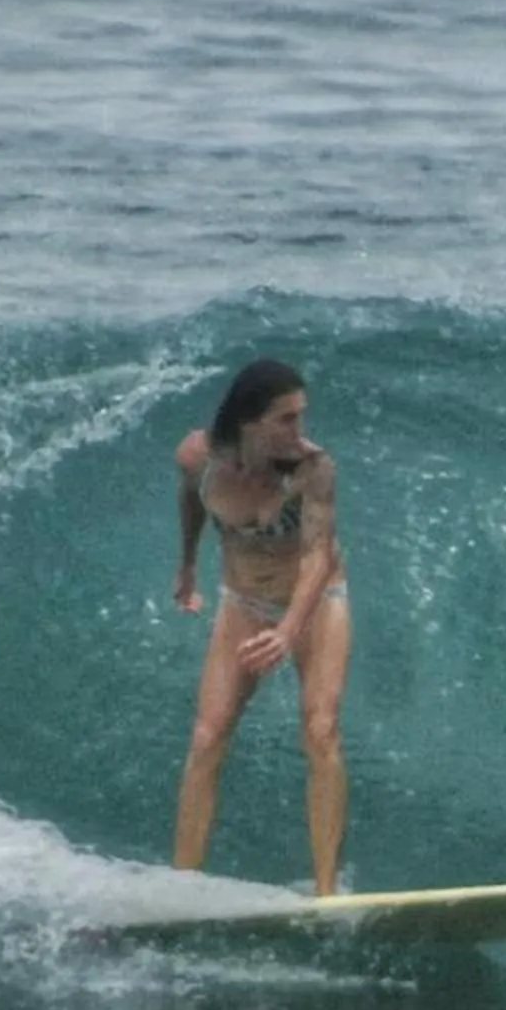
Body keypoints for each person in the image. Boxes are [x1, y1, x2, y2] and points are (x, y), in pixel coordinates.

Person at [170, 358, 351, 894]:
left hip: (316, 602)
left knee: (320, 731)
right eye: (286, 420)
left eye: (302, 417)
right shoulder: (197, 456)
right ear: (249, 421)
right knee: (206, 737)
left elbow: (318, 559)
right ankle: (180, 888)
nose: (300, 433)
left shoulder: (313, 468)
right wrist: (187, 565)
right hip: (243, 600)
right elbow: (191, 501)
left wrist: (289, 630)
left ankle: (327, 893)